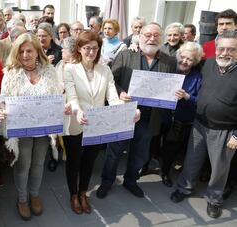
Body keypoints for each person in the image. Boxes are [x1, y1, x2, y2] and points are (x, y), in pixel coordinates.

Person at [96, 22, 177, 199]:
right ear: (140, 36)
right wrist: (120, 92)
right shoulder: (125, 55)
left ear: (161, 39)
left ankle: (130, 181)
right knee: (113, 152)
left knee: (140, 154)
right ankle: (107, 182)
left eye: (156, 35)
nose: (152, 38)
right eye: (148, 34)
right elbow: (111, 81)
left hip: (150, 117)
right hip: (124, 113)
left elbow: (170, 88)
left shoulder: (169, 61)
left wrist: (174, 94)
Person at [63, 31, 137, 214]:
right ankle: (73, 194)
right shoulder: (70, 69)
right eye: (87, 48)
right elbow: (72, 97)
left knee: (89, 161)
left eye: (94, 48)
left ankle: (83, 193)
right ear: (79, 49)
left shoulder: (105, 70)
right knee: (74, 162)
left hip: (97, 125)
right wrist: (78, 111)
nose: (91, 52)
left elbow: (112, 97)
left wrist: (128, 112)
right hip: (75, 121)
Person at [0, 33, 63, 220]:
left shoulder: (49, 71)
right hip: (22, 130)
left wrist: (62, 108)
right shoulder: (11, 73)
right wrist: (0, 109)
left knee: (38, 163)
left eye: (29, 50)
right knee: (23, 165)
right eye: (21, 51)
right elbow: (3, 99)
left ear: (37, 51)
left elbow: (57, 96)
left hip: (43, 129)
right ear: (16, 53)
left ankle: (34, 195)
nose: (25, 55)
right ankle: (22, 199)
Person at [170, 30, 237, 219]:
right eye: (221, 48)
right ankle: (184, 188)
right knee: (192, 160)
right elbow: (184, 56)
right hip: (199, 124)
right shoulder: (207, 64)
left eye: (231, 49)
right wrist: (133, 45)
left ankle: (214, 200)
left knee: (219, 169)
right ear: (215, 49)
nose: (224, 53)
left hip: (225, 131)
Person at [159, 42, 203, 187]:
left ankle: (166, 172)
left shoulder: (197, 76)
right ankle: (160, 169)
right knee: (161, 145)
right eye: (182, 57)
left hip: (185, 120)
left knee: (174, 148)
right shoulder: (170, 70)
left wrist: (187, 96)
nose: (184, 61)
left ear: (195, 61)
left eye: (189, 59)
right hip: (165, 116)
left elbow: (201, 100)